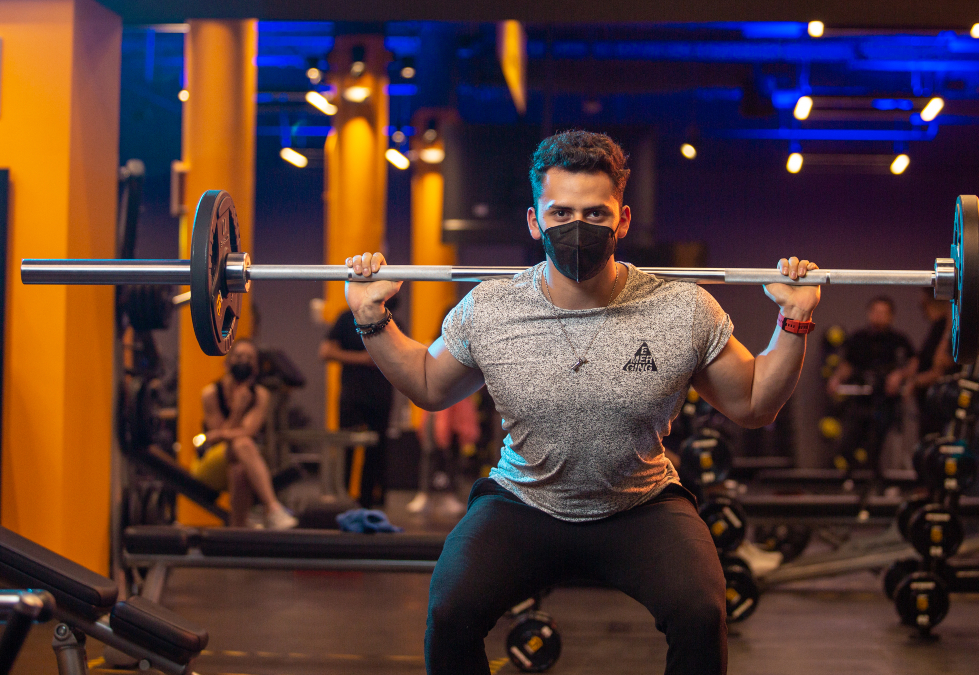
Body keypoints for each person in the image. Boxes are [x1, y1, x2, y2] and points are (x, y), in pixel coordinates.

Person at [343, 130, 820, 675]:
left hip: (640, 504)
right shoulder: (491, 309)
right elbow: (429, 385)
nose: (577, 227)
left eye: (596, 214)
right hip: (524, 500)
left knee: (702, 613)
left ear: (622, 221)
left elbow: (755, 404)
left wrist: (794, 320)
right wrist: (371, 318)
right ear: (534, 220)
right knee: (449, 613)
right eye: (561, 212)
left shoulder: (681, 309)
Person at [191, 339, 297, 529]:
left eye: (249, 358)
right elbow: (217, 442)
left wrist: (221, 433)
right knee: (243, 443)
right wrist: (237, 410)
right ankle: (273, 508)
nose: (243, 361)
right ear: (228, 362)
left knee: (239, 466)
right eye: (239, 356)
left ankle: (236, 531)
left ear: (255, 368)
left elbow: (246, 431)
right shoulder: (211, 394)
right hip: (211, 463)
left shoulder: (261, 395)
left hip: (242, 459)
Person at [320, 298, 397, 508]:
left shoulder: (393, 321)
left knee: (377, 451)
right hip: (352, 395)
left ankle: (369, 502)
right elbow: (326, 351)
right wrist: (363, 359)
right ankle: (343, 501)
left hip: (381, 396)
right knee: (347, 448)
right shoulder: (347, 318)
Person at [825, 296, 915, 473]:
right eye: (876, 312)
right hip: (860, 400)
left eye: (884, 313)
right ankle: (852, 479)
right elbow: (847, 364)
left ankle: (877, 482)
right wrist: (836, 379)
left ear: (891, 316)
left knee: (878, 444)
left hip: (886, 401)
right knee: (849, 442)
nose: (879, 316)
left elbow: (913, 362)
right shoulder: (858, 338)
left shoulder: (899, 340)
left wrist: (900, 376)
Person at [905, 287, 956, 436]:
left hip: (942, 407)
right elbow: (920, 360)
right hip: (929, 407)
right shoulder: (937, 327)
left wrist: (914, 382)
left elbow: (941, 367)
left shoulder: (948, 329)